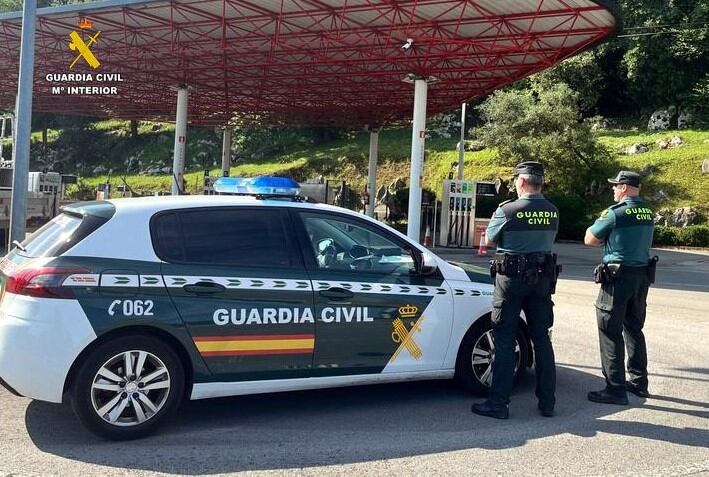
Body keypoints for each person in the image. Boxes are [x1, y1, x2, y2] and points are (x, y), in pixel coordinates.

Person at [471, 161, 559, 419]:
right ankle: (547, 403)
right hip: (542, 279)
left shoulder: (508, 210)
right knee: (541, 339)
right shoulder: (552, 211)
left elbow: (488, 239)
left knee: (505, 338)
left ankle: (498, 403)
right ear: (540, 182)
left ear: (521, 182)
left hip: (510, 280)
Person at [584, 171, 655, 404]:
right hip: (641, 276)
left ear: (624, 187)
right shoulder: (647, 212)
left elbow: (590, 238)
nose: (613, 190)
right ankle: (638, 382)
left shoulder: (615, 213)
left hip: (618, 277)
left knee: (609, 329)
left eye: (616, 186)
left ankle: (614, 389)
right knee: (634, 328)